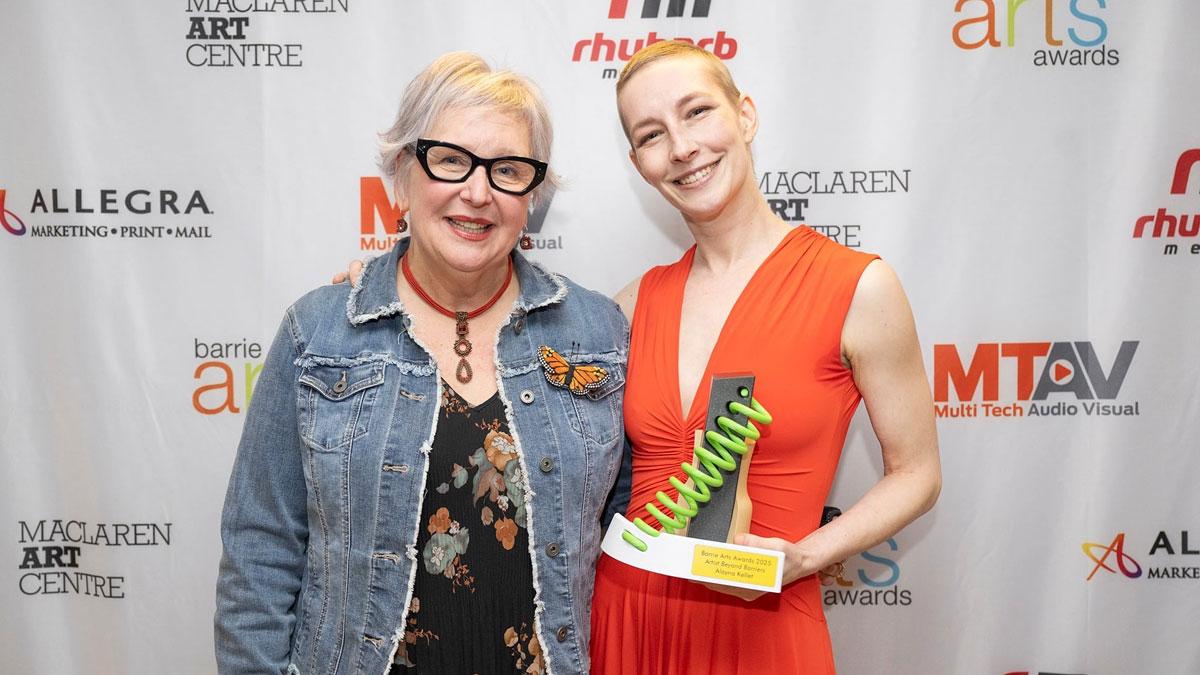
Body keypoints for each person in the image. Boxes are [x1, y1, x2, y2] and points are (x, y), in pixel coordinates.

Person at [214, 52, 628, 675]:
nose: (478, 192)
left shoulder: (597, 331)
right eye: (451, 160)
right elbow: (259, 552)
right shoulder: (320, 331)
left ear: (532, 194)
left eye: (508, 170)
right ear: (402, 173)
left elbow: (631, 534)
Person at [587, 41, 942, 674]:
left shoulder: (859, 287)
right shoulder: (634, 304)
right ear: (639, 162)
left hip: (763, 627)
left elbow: (917, 474)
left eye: (697, 112)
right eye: (651, 135)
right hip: (627, 619)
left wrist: (806, 557)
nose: (682, 147)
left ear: (745, 116)